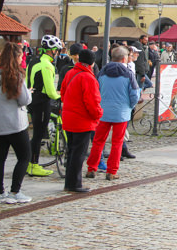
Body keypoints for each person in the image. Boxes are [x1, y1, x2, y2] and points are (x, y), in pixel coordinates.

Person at [0, 42, 33, 204]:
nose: (21, 59)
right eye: (20, 56)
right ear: (16, 57)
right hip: (13, 123)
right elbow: (24, 100)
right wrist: (28, 92)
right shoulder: (16, 76)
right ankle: (14, 192)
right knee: (24, 156)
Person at [85, 46, 140, 181]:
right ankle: (111, 171)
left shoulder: (102, 72)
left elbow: (96, 89)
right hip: (121, 112)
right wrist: (129, 107)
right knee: (117, 143)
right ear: (123, 58)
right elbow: (134, 94)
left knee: (98, 141)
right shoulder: (128, 74)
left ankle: (91, 168)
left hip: (103, 111)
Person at [59, 49, 103, 192]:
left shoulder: (70, 73)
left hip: (69, 117)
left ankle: (69, 182)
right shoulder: (88, 78)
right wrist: (98, 114)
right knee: (79, 154)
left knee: (71, 151)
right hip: (82, 120)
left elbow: (63, 93)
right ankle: (74, 184)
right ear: (92, 63)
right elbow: (92, 102)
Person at [26, 34, 63, 177]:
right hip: (42, 102)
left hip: (31, 100)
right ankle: (33, 165)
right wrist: (60, 96)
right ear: (52, 50)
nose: (57, 53)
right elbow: (50, 91)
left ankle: (29, 163)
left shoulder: (33, 61)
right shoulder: (47, 65)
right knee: (38, 135)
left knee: (36, 133)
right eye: (57, 50)